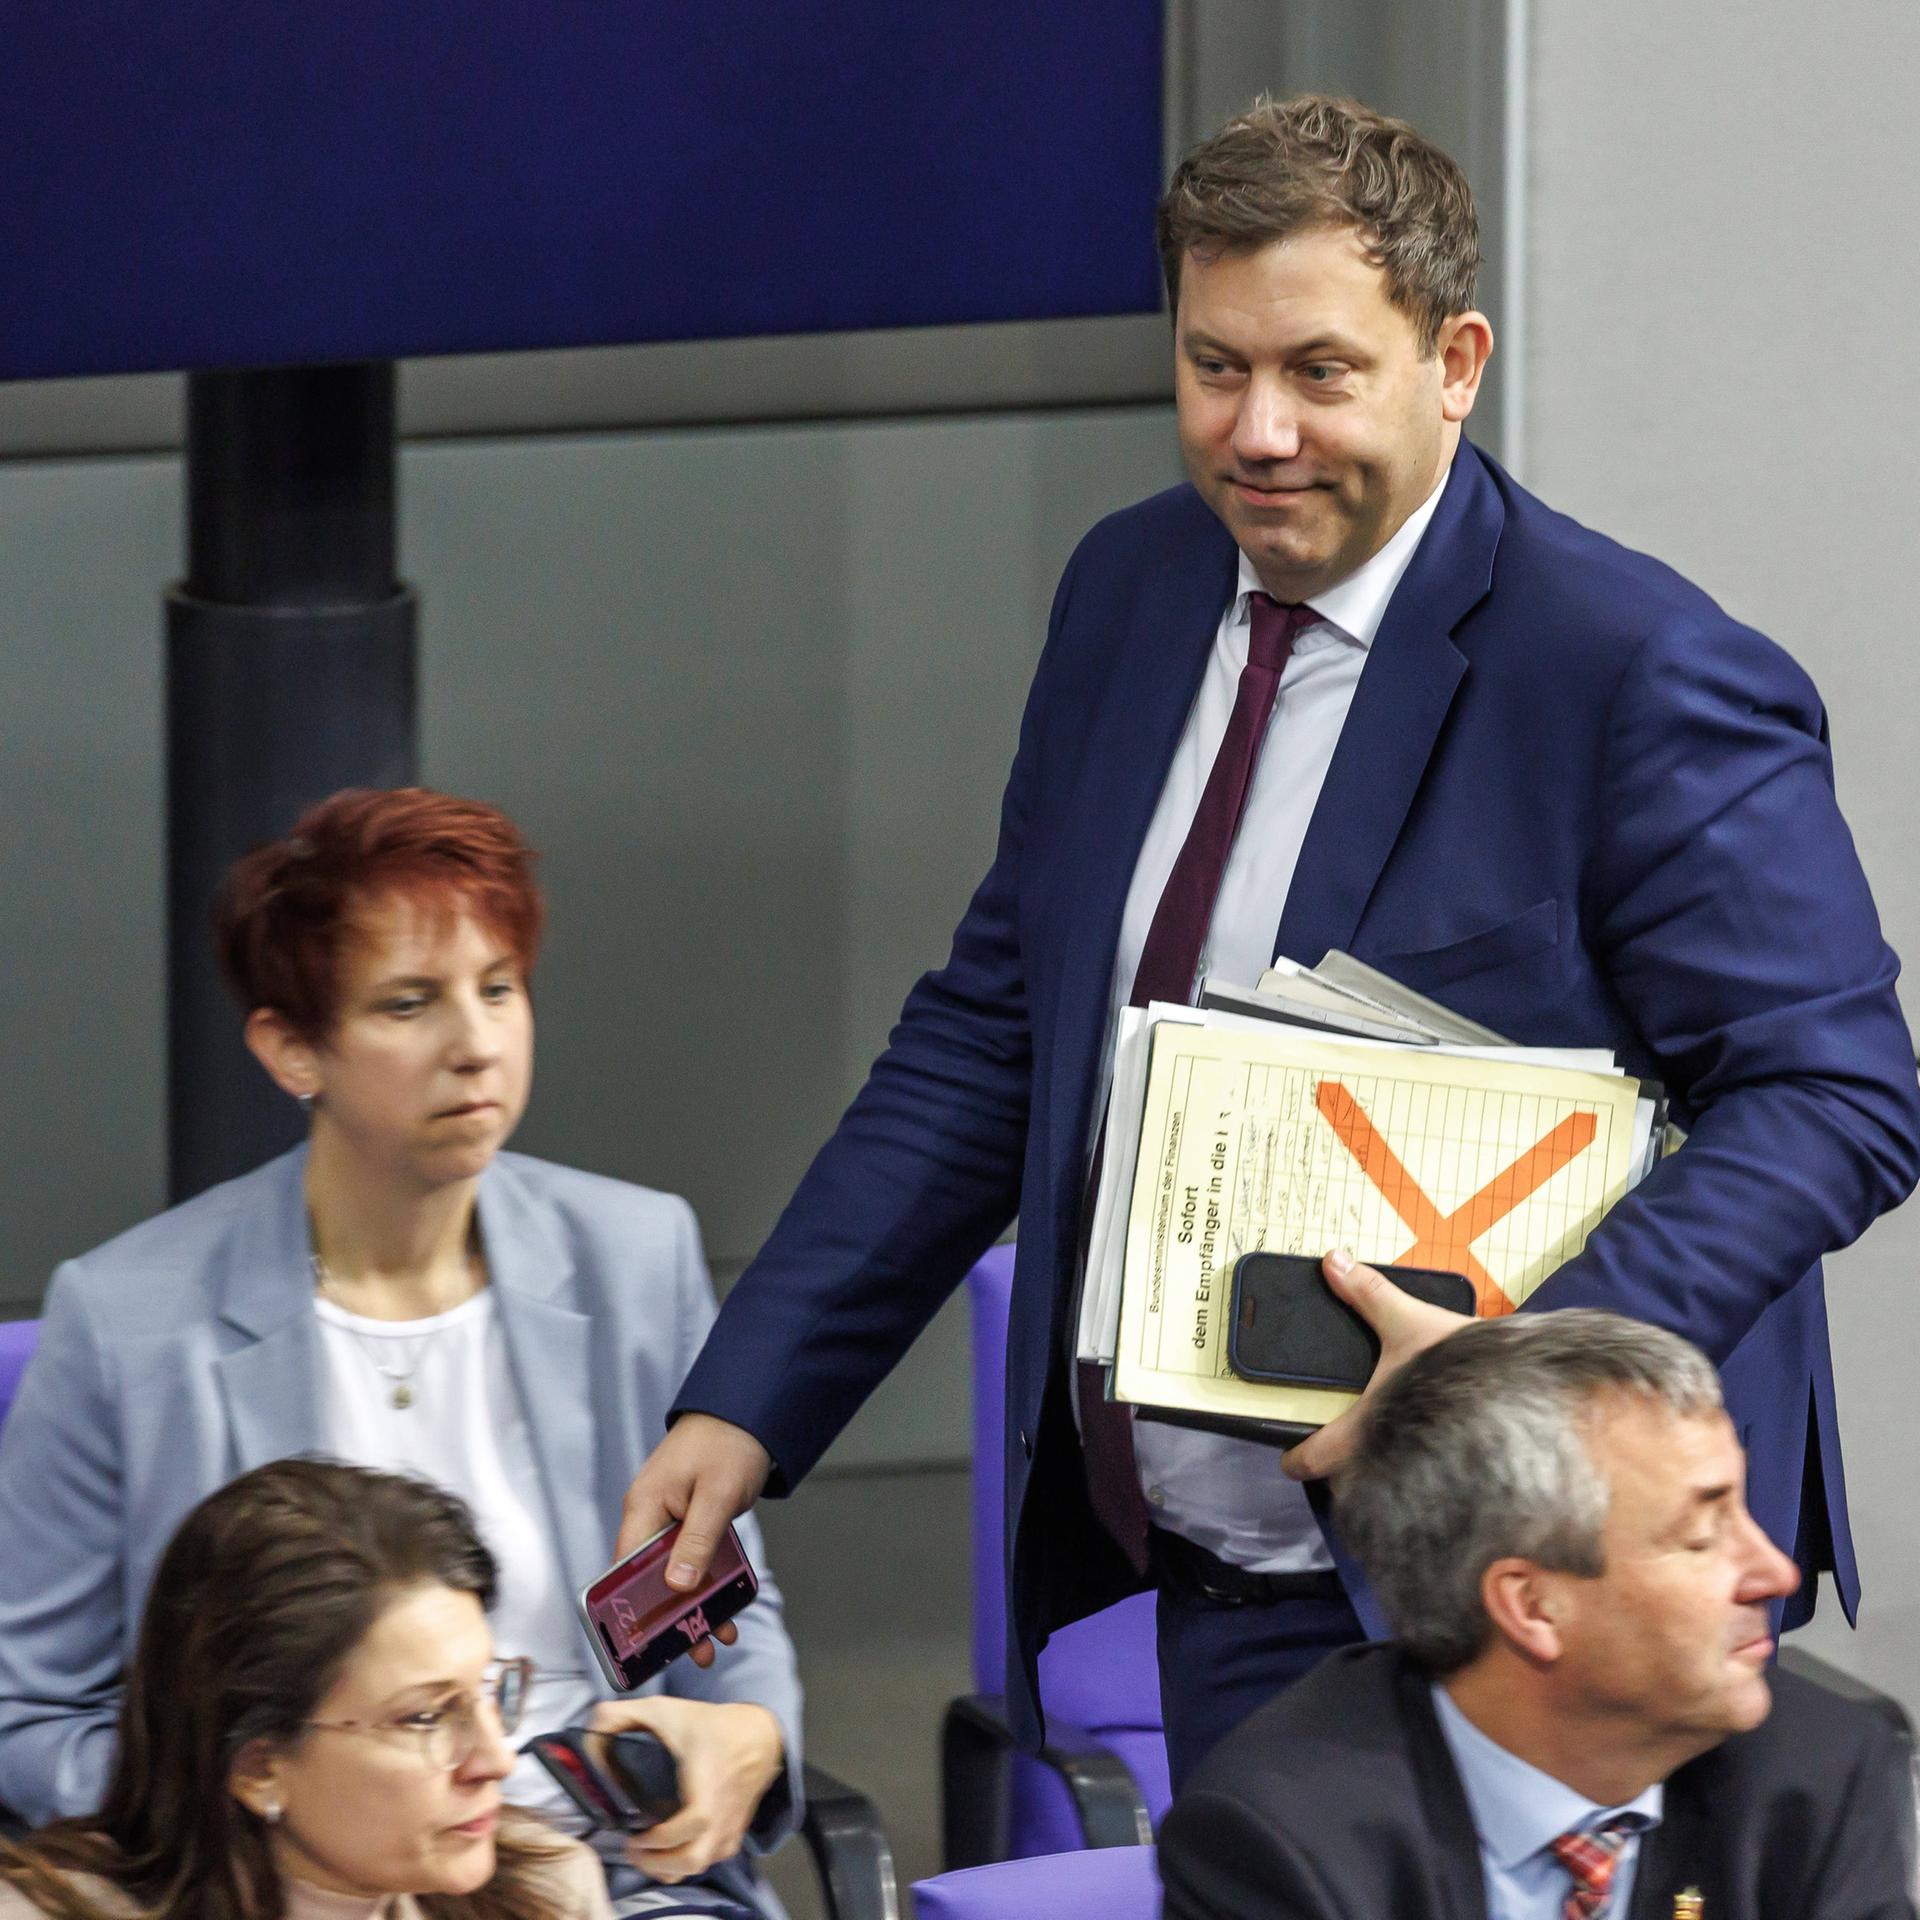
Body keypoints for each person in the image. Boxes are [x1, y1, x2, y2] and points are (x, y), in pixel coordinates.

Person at [620, 92, 1920, 1788]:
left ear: (1455, 362)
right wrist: (753, 1398)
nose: (1258, 431)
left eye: (1320, 371)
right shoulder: (1130, 593)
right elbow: (999, 1031)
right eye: (1213, 366)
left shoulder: (1633, 675)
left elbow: (1837, 1093)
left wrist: (1514, 1374)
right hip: (1228, 1569)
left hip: (1547, 1589)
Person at [0, 788, 800, 1919]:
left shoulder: (634, 1256)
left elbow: (729, 1604)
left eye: (499, 989)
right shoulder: (130, 1319)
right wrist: (248, 1811)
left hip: (621, 1874)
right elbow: (26, 1718)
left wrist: (747, 1736)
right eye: (410, 1003)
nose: (475, 1044)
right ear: (292, 1048)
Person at [1157, 1312, 1917, 1919]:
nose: (1776, 1573)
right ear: (1532, 1606)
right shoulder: (1284, 1841)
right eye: (1701, 1534)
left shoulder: (1816, 1776)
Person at [0, 1459, 611, 1920]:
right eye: (425, 1718)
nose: (496, 1760)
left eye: (486, 1692)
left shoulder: (551, 1893)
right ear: (258, 1767)